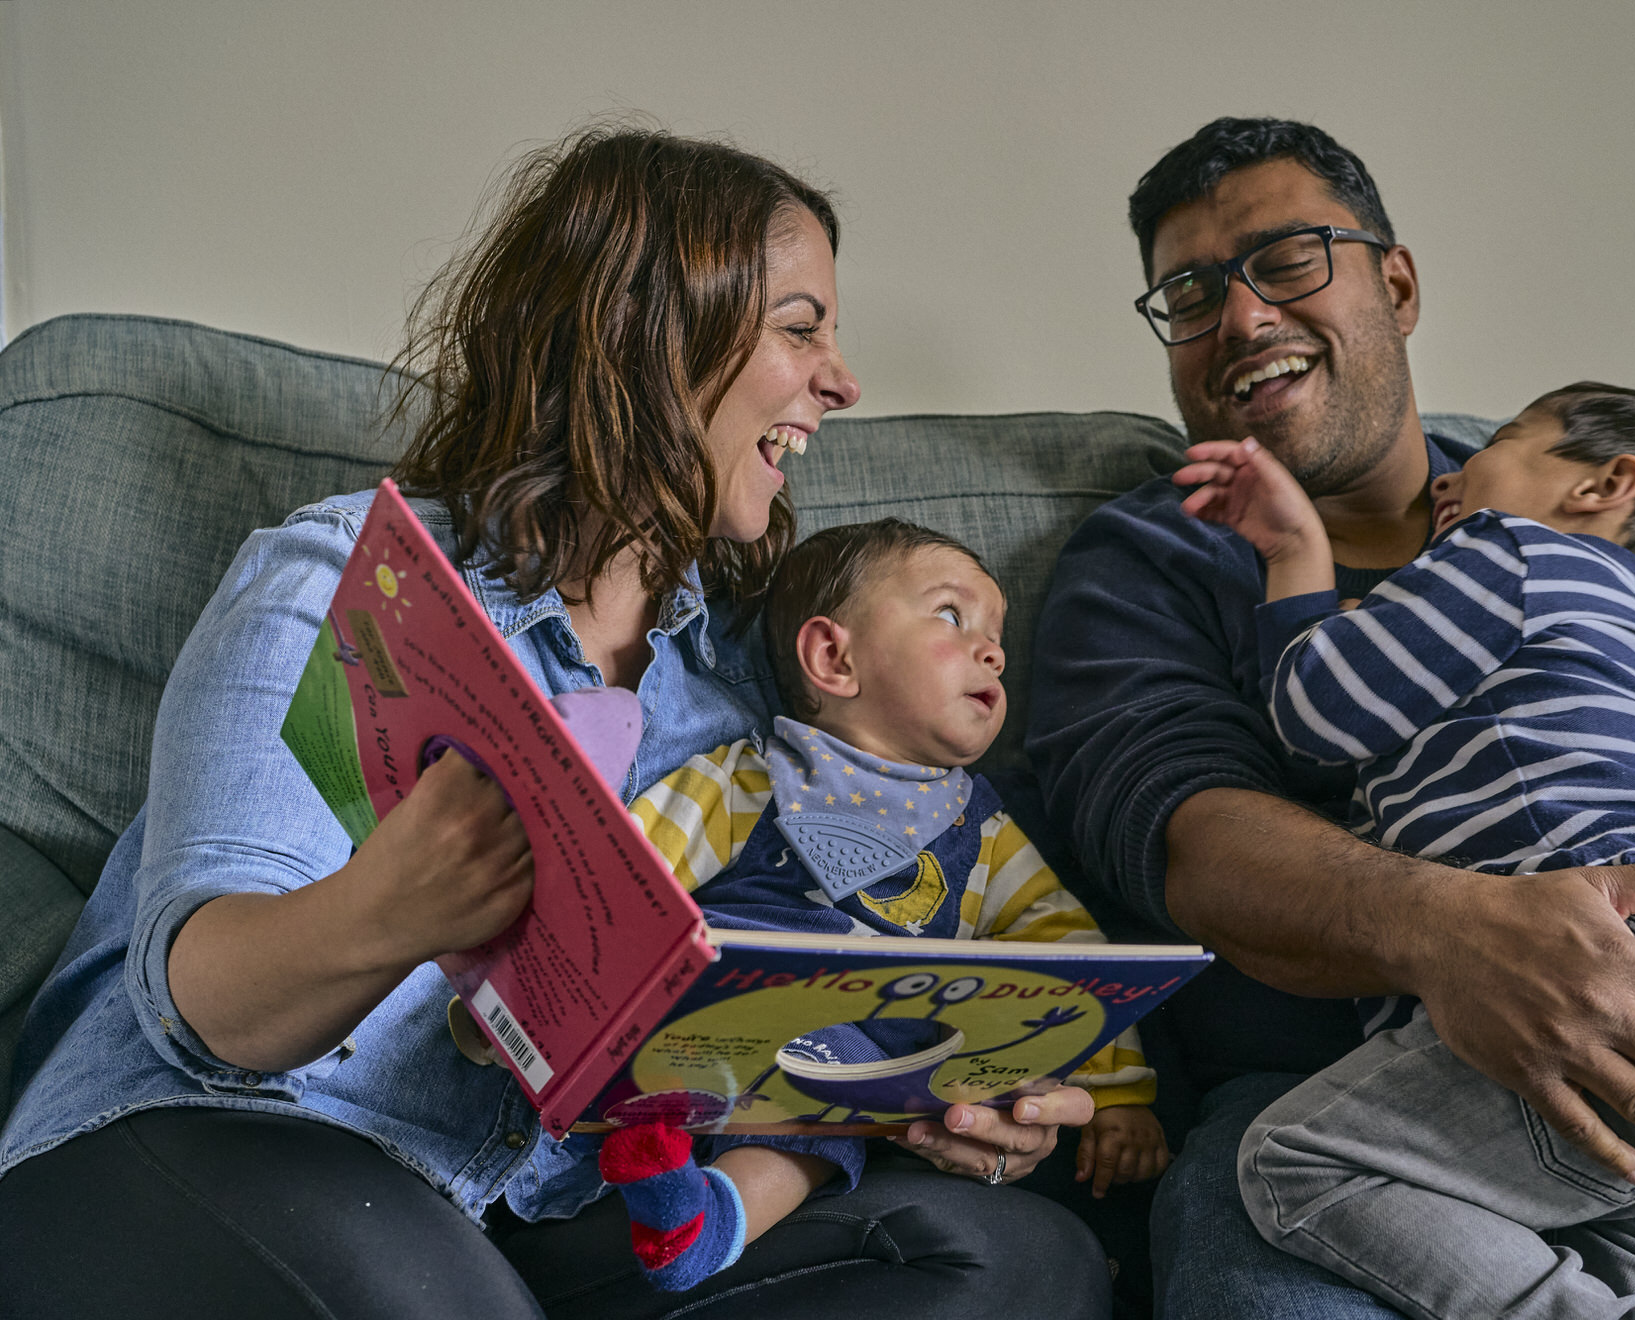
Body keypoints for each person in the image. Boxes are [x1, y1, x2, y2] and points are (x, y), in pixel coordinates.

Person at [0, 126, 1109, 1320]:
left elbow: (750, 1014)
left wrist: (925, 1093)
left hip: (529, 1210)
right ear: (650, 335)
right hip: (229, 1132)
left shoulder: (747, 696)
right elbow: (206, 1010)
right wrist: (396, 909)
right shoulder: (351, 581)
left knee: (1013, 1259)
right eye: (801, 329)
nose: (841, 381)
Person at [1025, 115, 1635, 1318]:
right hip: (1351, 1089)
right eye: (1192, 293)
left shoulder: (1606, 516)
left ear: (1397, 284)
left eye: (1288, 260)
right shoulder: (1149, 560)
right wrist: (1454, 932)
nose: (1244, 316)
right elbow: (1183, 834)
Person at [1177, 385, 1635, 1316]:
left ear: (1604, 484)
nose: (1449, 478)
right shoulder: (1631, 647)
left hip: (1623, 966)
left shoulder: (1513, 550)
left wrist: (1296, 556)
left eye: (1500, 442)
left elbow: (1320, 709)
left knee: (1298, 1158)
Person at [604, 517, 1171, 1291]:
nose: (994, 651)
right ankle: (667, 1164)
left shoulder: (985, 833)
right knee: (808, 1103)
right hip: (715, 1016)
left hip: (853, 1075)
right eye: (952, 615)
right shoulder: (752, 776)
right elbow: (627, 871)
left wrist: (1118, 1095)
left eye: (997, 634)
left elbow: (1067, 957)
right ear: (833, 658)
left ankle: (698, 1224)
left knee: (830, 1129)